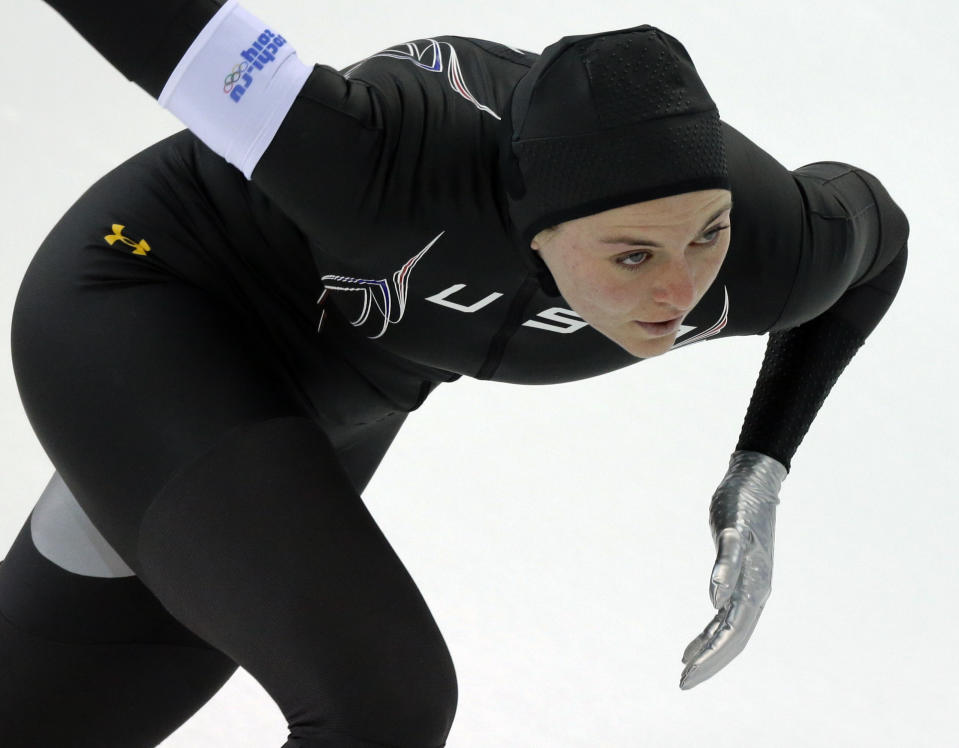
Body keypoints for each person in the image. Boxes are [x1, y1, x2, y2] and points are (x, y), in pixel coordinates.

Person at [0, 0, 908, 746]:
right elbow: (159, 28)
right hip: (143, 305)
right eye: (631, 258)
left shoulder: (775, 248)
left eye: (704, 235)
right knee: (379, 708)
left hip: (324, 401)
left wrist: (760, 471)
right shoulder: (377, 155)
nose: (679, 291)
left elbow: (881, 242)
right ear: (534, 231)